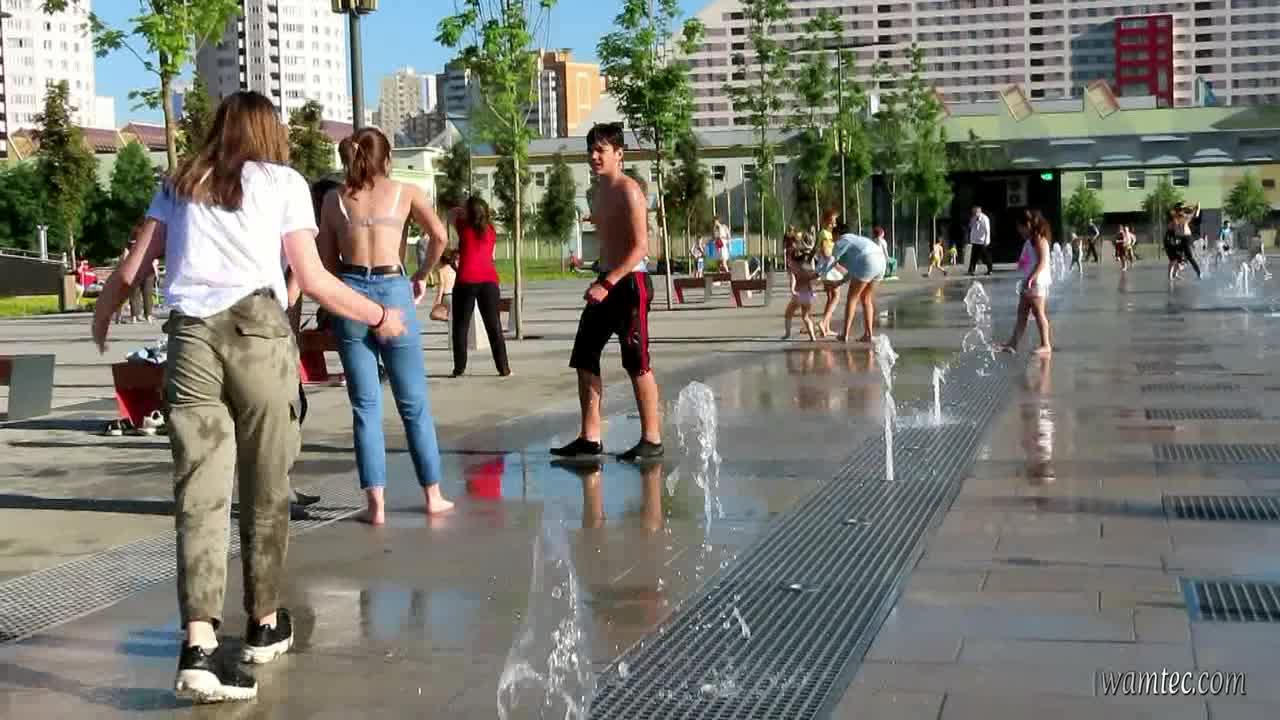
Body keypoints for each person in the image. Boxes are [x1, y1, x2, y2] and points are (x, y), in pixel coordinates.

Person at [89, 91, 408, 703]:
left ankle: (199, 646)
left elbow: (133, 268)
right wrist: (379, 316)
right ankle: (263, 622)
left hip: (190, 340)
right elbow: (311, 278)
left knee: (200, 493)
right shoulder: (283, 183)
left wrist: (103, 315)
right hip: (259, 335)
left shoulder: (181, 181)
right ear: (269, 132)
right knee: (267, 485)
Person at [318, 127, 454, 525]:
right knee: (414, 405)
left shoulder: (333, 199)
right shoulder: (406, 192)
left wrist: (343, 293)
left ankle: (375, 505)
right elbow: (439, 236)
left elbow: (325, 263)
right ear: (388, 159)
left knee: (365, 407)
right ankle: (433, 495)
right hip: (394, 288)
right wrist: (422, 274)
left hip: (351, 293)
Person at [551, 123, 662, 462]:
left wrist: (608, 281)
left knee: (636, 361)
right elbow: (611, 243)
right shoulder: (596, 193)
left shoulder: (630, 191)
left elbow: (641, 248)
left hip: (630, 284)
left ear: (619, 154)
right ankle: (590, 436)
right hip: (607, 280)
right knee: (584, 355)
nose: (594, 156)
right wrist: (597, 272)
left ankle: (652, 439)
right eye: (591, 150)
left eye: (601, 150)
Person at [446, 195, 511, 378]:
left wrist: (461, 210)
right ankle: (503, 368)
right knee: (494, 326)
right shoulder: (491, 230)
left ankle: (459, 368)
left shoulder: (463, 226)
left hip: (466, 280)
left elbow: (450, 214)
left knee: (461, 327)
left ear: (469, 212)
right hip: (489, 281)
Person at [998, 209, 1053, 355]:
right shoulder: (1030, 241)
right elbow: (1028, 260)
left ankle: (1046, 344)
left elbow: (1042, 262)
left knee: (1038, 313)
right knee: (1022, 314)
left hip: (1037, 282)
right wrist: (1023, 268)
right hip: (1029, 281)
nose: (1019, 231)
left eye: (1020, 227)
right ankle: (1013, 343)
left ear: (1028, 224)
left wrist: (1031, 278)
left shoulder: (1040, 240)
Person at [823, 221, 887, 343]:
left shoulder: (842, 240)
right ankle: (868, 334)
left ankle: (845, 334)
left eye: (833, 236)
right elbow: (855, 271)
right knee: (866, 298)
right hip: (881, 261)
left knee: (852, 298)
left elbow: (831, 260)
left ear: (837, 234)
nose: (832, 240)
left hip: (868, 259)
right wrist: (839, 282)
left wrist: (817, 275)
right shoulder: (857, 241)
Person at [782, 235, 818, 341]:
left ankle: (787, 334)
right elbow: (812, 279)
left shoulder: (794, 267)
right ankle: (812, 337)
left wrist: (792, 289)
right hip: (808, 295)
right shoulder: (807, 266)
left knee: (788, 314)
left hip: (798, 294)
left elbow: (793, 279)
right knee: (806, 317)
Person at [816, 209, 841, 336]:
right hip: (829, 267)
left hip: (825, 267)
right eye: (832, 221)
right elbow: (826, 252)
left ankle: (826, 328)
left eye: (835, 221)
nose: (834, 224)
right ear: (826, 221)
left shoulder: (826, 233)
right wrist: (835, 259)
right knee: (836, 295)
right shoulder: (825, 234)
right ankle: (823, 322)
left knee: (830, 297)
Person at [966, 205, 993, 275]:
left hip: (982, 240)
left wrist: (987, 240)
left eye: (975, 212)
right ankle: (971, 270)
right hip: (975, 240)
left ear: (979, 211)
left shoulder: (985, 218)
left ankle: (990, 269)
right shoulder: (973, 218)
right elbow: (971, 227)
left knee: (985, 256)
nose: (974, 213)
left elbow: (987, 230)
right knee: (973, 256)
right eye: (973, 212)